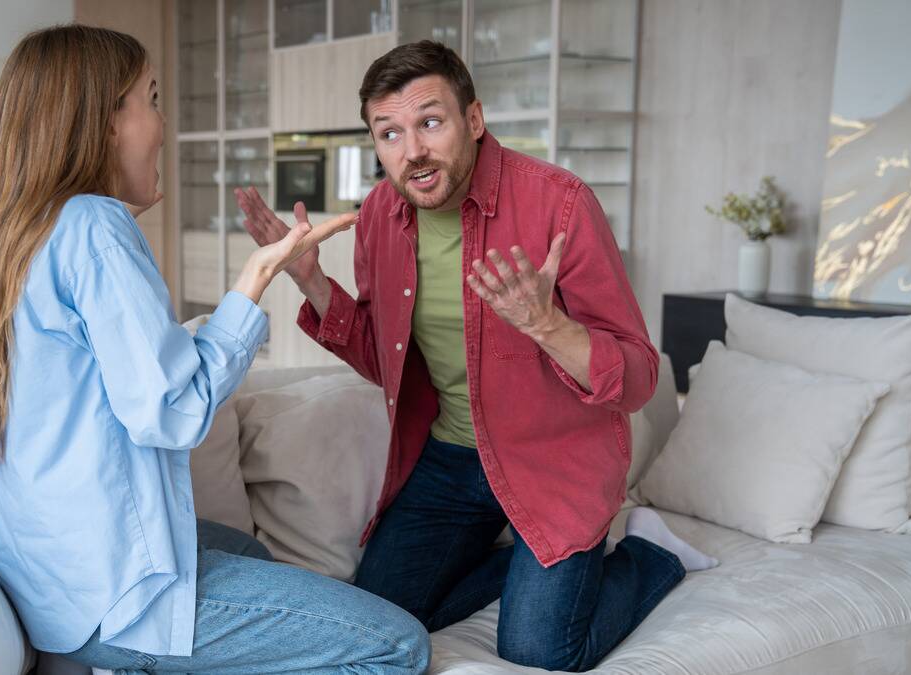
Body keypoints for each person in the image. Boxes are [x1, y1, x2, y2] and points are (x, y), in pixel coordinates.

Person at [0, 25, 430, 674]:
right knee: (400, 645)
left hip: (53, 594)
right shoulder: (93, 225)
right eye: (150, 97)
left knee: (248, 557)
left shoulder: (3, 238)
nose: (165, 122)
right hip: (117, 600)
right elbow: (171, 412)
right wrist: (253, 280)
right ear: (105, 121)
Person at [236, 40, 717, 672]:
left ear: (475, 120)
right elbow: (392, 365)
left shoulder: (560, 204)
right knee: (374, 622)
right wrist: (313, 283)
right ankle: (517, 558)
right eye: (390, 133)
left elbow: (637, 379)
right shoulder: (381, 214)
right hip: (450, 461)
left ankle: (650, 554)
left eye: (430, 122)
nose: (413, 152)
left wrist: (546, 326)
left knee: (539, 649)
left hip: (555, 462)